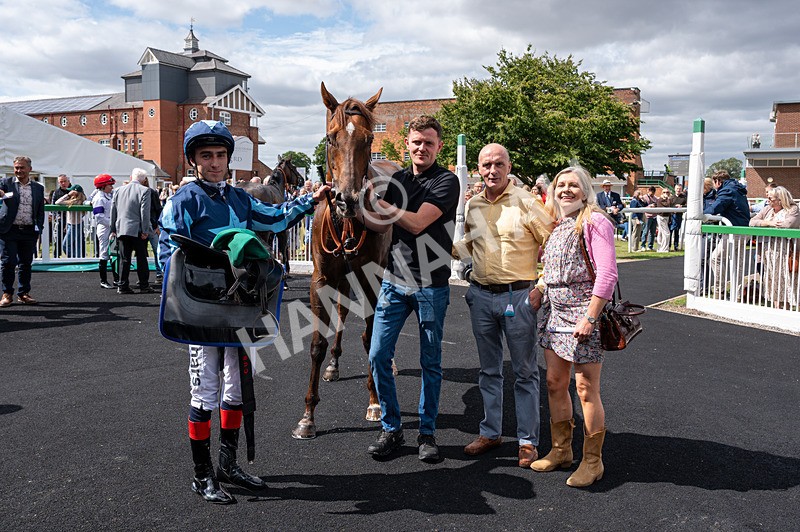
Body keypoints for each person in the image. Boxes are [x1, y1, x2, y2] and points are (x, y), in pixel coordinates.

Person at [159, 120, 329, 504]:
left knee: (235, 389)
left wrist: (313, 199)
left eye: (220, 155)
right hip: (202, 313)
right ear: (194, 160)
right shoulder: (184, 200)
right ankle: (202, 476)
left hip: (238, 310)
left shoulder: (239, 199)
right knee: (205, 391)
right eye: (207, 156)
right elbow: (167, 255)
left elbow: (276, 218)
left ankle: (228, 464)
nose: (215, 163)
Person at [358, 115, 460, 462]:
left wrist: (380, 202)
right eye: (416, 142)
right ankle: (392, 427)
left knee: (430, 362)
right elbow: (376, 222)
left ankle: (427, 433)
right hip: (393, 282)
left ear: (439, 146)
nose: (422, 148)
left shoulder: (447, 181)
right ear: (407, 144)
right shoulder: (398, 179)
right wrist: (353, 206)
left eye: (429, 142)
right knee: (377, 356)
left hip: (430, 285)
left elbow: (416, 224)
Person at [453, 143, 554, 468]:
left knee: (524, 373)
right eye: (486, 165)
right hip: (481, 296)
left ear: (508, 167)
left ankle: (527, 441)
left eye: (498, 164)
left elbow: (552, 246)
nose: (492, 170)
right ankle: (491, 432)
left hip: (519, 297)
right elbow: (469, 244)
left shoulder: (526, 202)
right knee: (489, 371)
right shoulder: (475, 205)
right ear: (479, 169)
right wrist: (435, 247)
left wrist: (541, 288)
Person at [529, 165, 618, 488]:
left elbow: (607, 274)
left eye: (573, 185)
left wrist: (591, 316)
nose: (566, 190)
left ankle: (593, 461)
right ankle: (561, 450)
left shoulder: (594, 221)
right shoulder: (558, 224)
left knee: (585, 388)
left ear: (585, 190)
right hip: (554, 314)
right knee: (554, 382)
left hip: (583, 314)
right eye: (561, 185)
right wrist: (540, 288)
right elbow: (550, 268)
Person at [0, 156, 46, 308]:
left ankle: (23, 293)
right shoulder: (6, 183)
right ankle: (7, 293)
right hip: (9, 230)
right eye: (16, 168)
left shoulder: (38, 188)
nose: (18, 170)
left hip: (28, 231)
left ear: (29, 169)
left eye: (22, 167)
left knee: (26, 263)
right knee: (8, 262)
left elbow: (40, 210)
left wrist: (39, 227)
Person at [749, 186, 800, 308]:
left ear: (780, 199)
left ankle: (793, 307)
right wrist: (767, 223)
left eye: (771, 199)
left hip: (787, 251)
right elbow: (752, 222)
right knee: (773, 279)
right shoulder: (767, 210)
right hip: (768, 251)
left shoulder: (793, 209)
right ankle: (777, 307)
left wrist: (763, 225)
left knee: (789, 279)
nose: (768, 201)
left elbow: (786, 225)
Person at [703, 170, 750, 298]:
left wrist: (700, 215)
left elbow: (715, 208)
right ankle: (738, 293)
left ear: (718, 182)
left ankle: (720, 291)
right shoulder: (738, 189)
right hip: (744, 230)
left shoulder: (727, 191)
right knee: (737, 262)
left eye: (714, 184)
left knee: (715, 258)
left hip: (733, 231)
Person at [110, 168, 154, 294]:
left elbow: (114, 211)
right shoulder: (145, 190)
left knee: (124, 258)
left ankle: (122, 285)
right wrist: (145, 230)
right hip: (137, 229)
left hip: (122, 228)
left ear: (131, 177)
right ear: (144, 180)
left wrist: (113, 229)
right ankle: (144, 285)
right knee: (141, 258)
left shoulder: (118, 190)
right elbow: (144, 212)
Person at [91, 174, 118, 289]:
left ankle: (117, 279)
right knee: (104, 253)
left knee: (114, 253)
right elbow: (99, 217)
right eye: (110, 185)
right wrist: (114, 225)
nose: (112, 187)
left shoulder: (108, 196)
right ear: (103, 186)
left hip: (111, 228)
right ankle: (103, 280)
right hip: (104, 229)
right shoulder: (99, 198)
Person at [55, 184, 87, 258]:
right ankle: (76, 258)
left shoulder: (77, 201)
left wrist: (68, 195)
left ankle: (73, 257)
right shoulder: (74, 200)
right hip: (72, 224)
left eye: (71, 191)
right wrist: (67, 225)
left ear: (75, 192)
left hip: (75, 224)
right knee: (77, 244)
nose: (70, 192)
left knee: (65, 245)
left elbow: (57, 202)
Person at [142, 176, 163, 280]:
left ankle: (159, 273)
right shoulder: (149, 192)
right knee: (147, 251)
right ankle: (144, 276)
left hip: (151, 225)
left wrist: (158, 225)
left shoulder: (151, 192)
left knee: (155, 250)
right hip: (148, 225)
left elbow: (158, 209)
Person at [50, 174, 71, 257]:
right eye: (61, 182)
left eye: (64, 181)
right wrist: (55, 215)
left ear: (68, 181)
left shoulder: (75, 190)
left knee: (73, 240)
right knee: (58, 239)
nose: (63, 183)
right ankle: (56, 256)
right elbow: (53, 206)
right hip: (60, 219)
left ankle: (74, 256)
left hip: (73, 220)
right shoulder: (56, 192)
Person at [670, 184, 687, 251]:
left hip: (679, 216)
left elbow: (687, 205)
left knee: (677, 231)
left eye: (679, 189)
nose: (678, 190)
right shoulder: (671, 197)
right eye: (677, 188)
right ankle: (668, 246)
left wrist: (681, 206)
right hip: (672, 215)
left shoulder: (684, 197)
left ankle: (676, 246)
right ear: (675, 189)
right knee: (670, 231)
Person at [640, 186, 658, 250]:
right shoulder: (644, 198)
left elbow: (658, 205)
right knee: (645, 231)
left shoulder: (656, 199)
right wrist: (649, 206)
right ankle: (643, 245)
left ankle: (650, 246)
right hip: (647, 216)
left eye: (653, 192)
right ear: (648, 191)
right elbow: (642, 206)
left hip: (654, 217)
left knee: (653, 232)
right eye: (650, 191)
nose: (651, 193)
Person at [655, 189, 673, 253]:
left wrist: (670, 219)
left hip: (666, 217)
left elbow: (670, 210)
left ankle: (659, 248)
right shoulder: (660, 200)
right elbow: (667, 205)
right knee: (667, 233)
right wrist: (668, 198)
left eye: (667, 192)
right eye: (664, 192)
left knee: (661, 232)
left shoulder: (668, 200)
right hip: (661, 217)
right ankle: (664, 249)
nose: (666, 193)